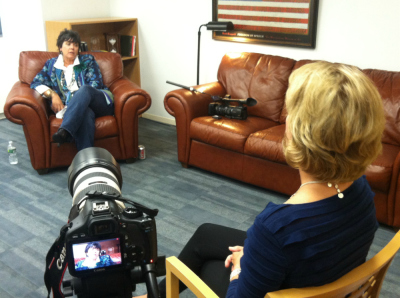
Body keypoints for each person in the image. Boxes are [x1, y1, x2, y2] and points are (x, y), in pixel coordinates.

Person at [136, 61, 386, 298]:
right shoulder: (362, 190)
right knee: (206, 235)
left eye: (292, 114)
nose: (286, 120)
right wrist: (256, 255)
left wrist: (240, 269)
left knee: (209, 267)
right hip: (318, 273)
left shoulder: (276, 227)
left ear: (303, 133)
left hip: (280, 272)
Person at [31, 29, 114, 150]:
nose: (72, 48)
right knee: (85, 114)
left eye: (76, 45)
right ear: (60, 47)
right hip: (81, 110)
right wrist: (53, 94)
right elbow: (36, 82)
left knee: (85, 89)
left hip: (99, 102)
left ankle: (65, 130)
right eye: (68, 44)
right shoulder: (51, 65)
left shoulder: (87, 61)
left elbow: (95, 84)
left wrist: (74, 101)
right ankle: (86, 159)